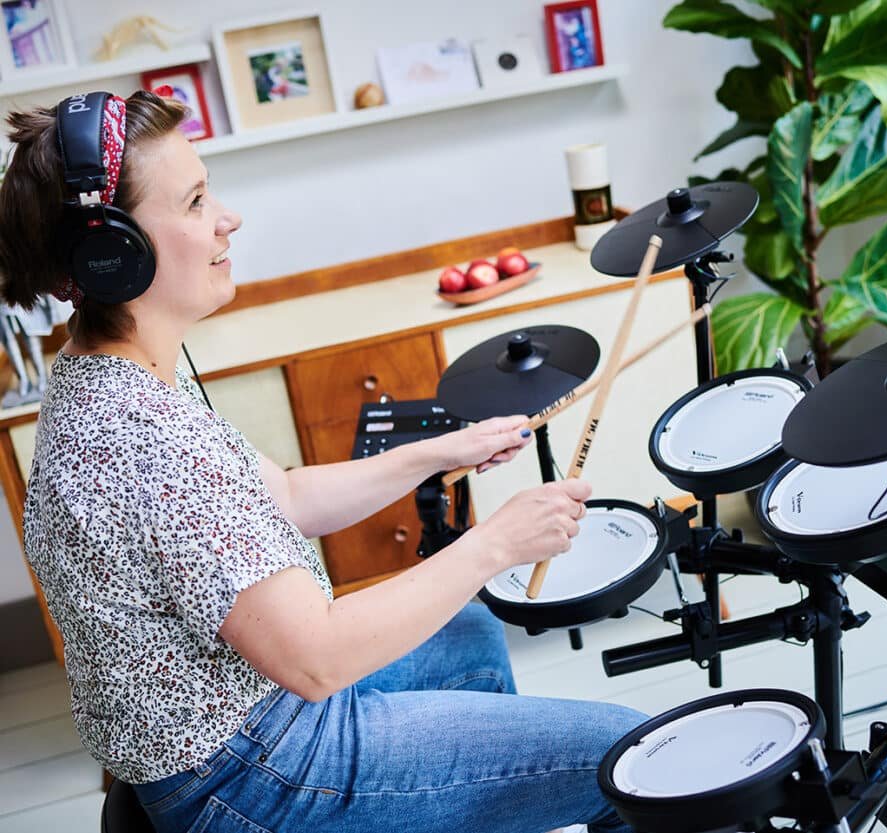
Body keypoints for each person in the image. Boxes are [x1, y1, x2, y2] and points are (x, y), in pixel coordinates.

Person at [0, 90, 646, 832]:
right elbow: (319, 659)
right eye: (195, 201)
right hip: (255, 775)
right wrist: (494, 542)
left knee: (467, 635)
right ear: (112, 254)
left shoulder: (108, 377)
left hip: (245, 720)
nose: (226, 219)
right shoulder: (143, 439)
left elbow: (288, 494)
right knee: (622, 756)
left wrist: (442, 450)